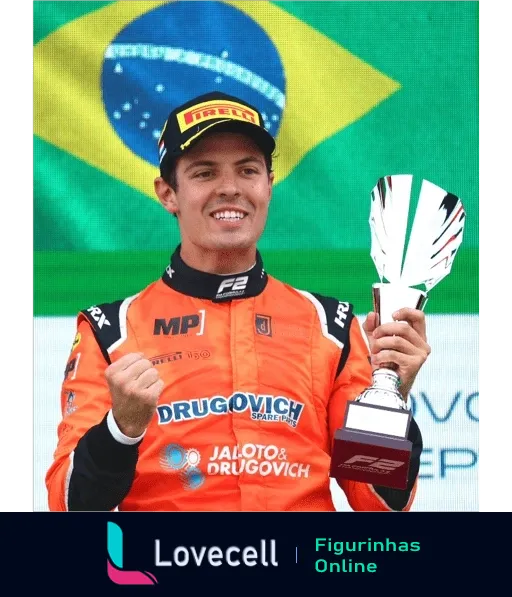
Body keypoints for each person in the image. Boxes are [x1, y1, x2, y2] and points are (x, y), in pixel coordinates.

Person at [45, 91, 429, 512]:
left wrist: (391, 396)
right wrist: (121, 430)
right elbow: (68, 505)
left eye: (248, 170)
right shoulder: (110, 330)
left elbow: (378, 504)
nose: (230, 189)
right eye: (204, 173)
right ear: (167, 193)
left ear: (268, 184)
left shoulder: (332, 325)